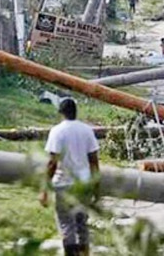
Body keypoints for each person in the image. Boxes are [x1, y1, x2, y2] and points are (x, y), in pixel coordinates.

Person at [41, 99, 100, 256]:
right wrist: (96, 187)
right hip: (83, 183)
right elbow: (94, 161)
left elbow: (52, 163)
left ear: (61, 113)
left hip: (63, 183)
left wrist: (45, 190)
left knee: (67, 225)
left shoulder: (57, 131)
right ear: (76, 112)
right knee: (82, 224)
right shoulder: (87, 130)